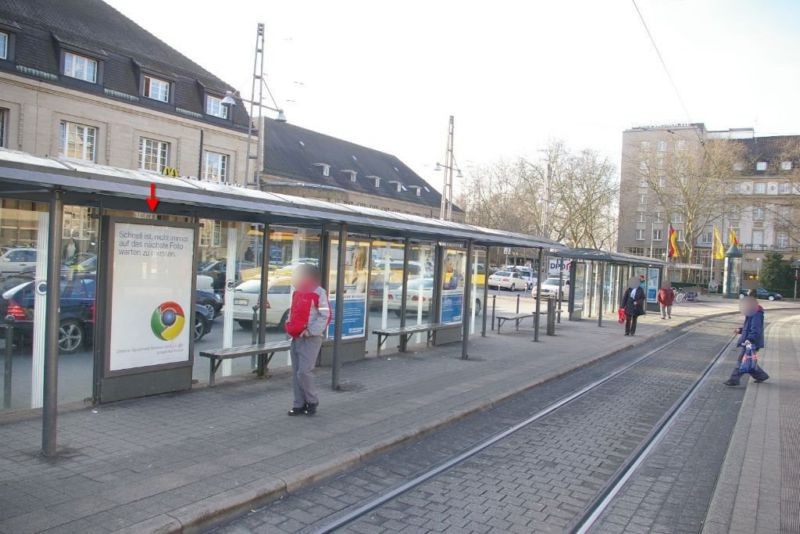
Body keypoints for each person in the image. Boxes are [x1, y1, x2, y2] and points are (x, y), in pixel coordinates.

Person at [284, 264, 331, 415]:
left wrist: (311, 331)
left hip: (311, 338)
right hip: (296, 336)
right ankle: (298, 404)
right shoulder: (297, 292)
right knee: (296, 372)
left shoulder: (319, 292)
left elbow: (326, 315)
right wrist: (289, 326)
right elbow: (293, 312)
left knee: (303, 372)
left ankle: (312, 401)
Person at [724, 296, 769, 386]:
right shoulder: (752, 313)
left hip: (751, 342)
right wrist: (740, 330)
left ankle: (734, 379)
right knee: (748, 361)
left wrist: (750, 339)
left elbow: (755, 329)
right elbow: (748, 327)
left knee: (742, 360)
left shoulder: (756, 314)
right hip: (749, 340)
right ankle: (761, 376)